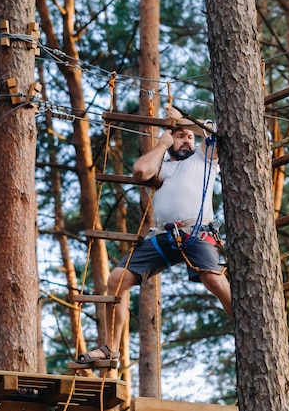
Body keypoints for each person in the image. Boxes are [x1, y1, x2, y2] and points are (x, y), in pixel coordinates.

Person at [75, 105, 232, 366]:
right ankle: (110, 348)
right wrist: (162, 143)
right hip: (162, 235)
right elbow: (140, 172)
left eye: (189, 136)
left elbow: (215, 130)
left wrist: (182, 122)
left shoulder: (203, 159)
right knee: (117, 279)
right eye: (180, 136)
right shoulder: (161, 168)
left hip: (196, 231)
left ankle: (245, 325)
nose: (187, 139)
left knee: (212, 280)